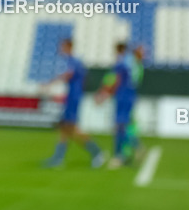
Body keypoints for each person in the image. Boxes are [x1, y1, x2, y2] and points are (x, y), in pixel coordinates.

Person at [42, 38, 105, 169]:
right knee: (64, 128)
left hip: (73, 98)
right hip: (73, 96)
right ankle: (58, 158)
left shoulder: (73, 61)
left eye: (63, 47)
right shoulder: (75, 62)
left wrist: (50, 82)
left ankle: (97, 152)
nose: (61, 50)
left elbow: (68, 75)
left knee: (72, 128)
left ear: (68, 47)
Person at [96, 41, 137, 168]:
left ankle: (119, 156)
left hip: (122, 97)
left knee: (119, 126)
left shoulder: (120, 63)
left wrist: (104, 94)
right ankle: (130, 151)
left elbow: (115, 80)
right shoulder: (131, 63)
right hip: (130, 97)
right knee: (125, 126)